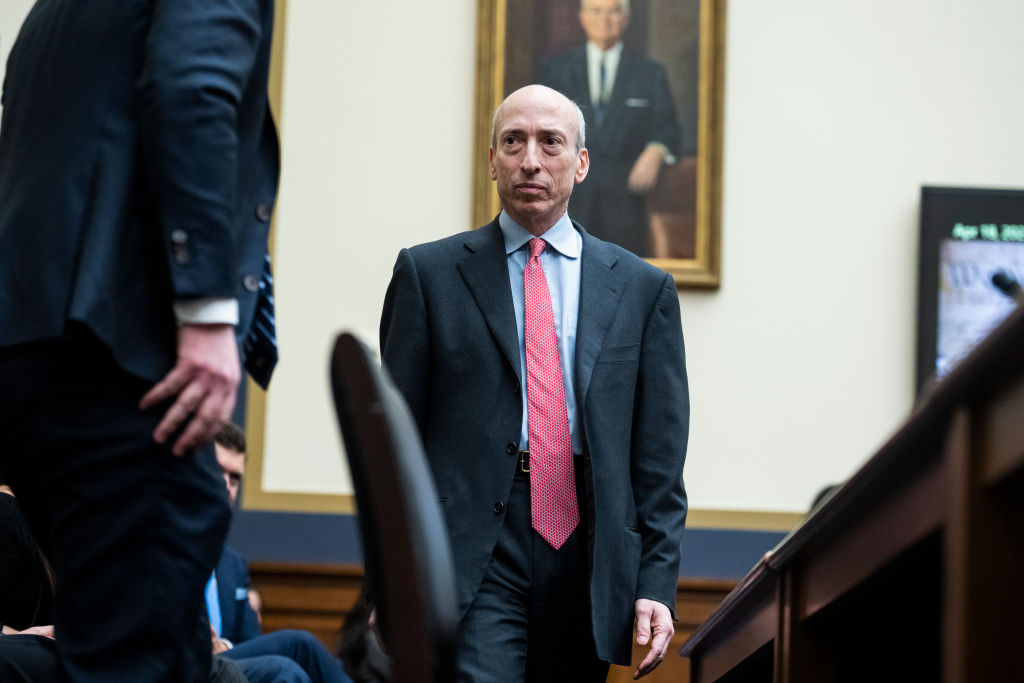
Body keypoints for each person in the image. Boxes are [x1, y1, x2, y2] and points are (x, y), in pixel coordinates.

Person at [0, 1, 280, 680]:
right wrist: (206, 311)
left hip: (37, 345)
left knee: (144, 648)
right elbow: (193, 91)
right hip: (120, 357)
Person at [379, 84, 689, 681]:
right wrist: (386, 582)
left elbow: (659, 458)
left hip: (589, 546)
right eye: (513, 142)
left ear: (581, 162)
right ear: (492, 159)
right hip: (471, 547)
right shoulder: (428, 274)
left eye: (550, 142)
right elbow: (394, 447)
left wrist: (656, 580)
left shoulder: (643, 290)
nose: (530, 160)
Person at [210, 423, 355, 683]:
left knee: (297, 651)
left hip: (226, 665)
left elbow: (252, 643)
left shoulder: (233, 564)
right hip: (185, 666)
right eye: (218, 471)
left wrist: (226, 647)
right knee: (289, 661)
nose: (227, 486)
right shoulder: (164, 543)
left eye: (234, 478)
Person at [539, 0, 683, 256]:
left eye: (613, 11)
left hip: (626, 205)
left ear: (626, 18)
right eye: (596, 11)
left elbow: (670, 128)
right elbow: (540, 128)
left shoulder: (649, 73)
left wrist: (656, 150)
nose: (604, 19)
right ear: (583, 17)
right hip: (568, 202)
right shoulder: (556, 69)